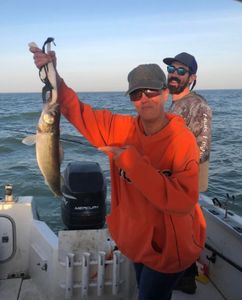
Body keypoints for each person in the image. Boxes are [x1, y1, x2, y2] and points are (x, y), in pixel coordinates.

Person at [30, 46, 206, 300]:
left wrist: (131, 162)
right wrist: (52, 73)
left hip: (168, 248)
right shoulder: (121, 129)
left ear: (165, 93)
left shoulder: (182, 141)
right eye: (136, 94)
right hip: (136, 242)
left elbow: (184, 202)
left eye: (151, 91)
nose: (144, 98)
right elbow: (77, 111)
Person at [163, 52, 212, 294]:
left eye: (181, 71)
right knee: (175, 230)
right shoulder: (174, 103)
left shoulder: (198, 105)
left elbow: (201, 149)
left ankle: (185, 279)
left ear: (192, 77)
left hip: (184, 181)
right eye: (172, 69)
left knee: (181, 232)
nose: (174, 74)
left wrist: (174, 168)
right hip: (170, 179)